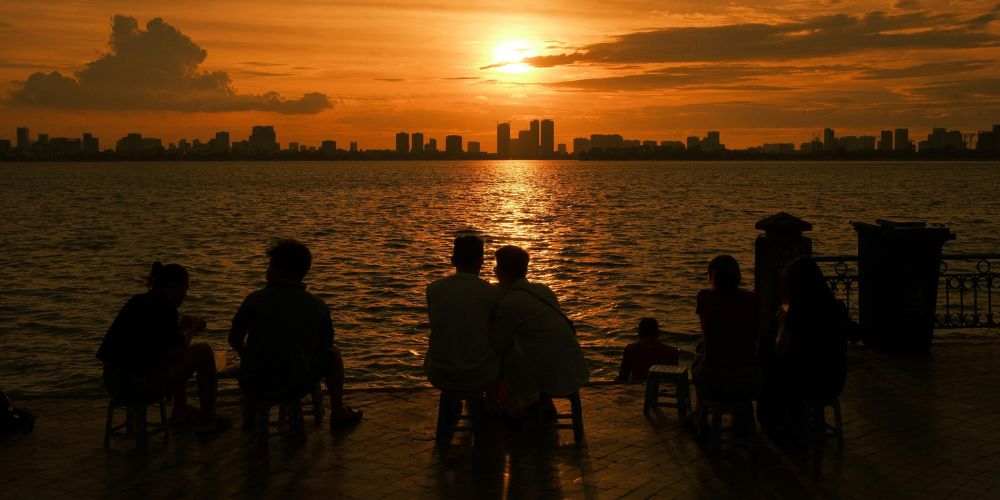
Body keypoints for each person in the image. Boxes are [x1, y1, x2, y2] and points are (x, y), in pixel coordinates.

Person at [229, 239, 362, 430]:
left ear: (279, 271)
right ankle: (337, 411)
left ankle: (251, 419)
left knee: (250, 361)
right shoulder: (316, 306)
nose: (267, 271)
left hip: (257, 382)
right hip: (297, 383)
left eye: (271, 266)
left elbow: (234, 339)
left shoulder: (254, 300)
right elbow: (326, 343)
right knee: (333, 354)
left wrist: (246, 354)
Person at [97, 262, 230, 433]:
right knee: (202, 352)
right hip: (136, 384)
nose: (186, 294)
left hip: (113, 381)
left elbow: (155, 342)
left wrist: (180, 328)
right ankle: (208, 418)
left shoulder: (139, 301)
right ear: (171, 286)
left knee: (171, 359)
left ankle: (181, 410)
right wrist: (192, 330)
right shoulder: (165, 309)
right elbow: (177, 351)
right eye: (185, 288)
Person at [491, 245, 590, 417]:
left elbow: (497, 344)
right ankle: (536, 406)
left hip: (550, 380)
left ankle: (507, 408)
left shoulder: (510, 304)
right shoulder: (544, 291)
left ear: (500, 271)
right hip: (575, 370)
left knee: (506, 355)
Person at [758, 258, 849, 437]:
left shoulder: (796, 315)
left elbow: (781, 349)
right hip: (834, 379)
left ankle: (771, 415)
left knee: (767, 349)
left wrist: (784, 320)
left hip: (807, 383)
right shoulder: (838, 308)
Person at [425, 235, 502, 400]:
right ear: (481, 262)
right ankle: (492, 405)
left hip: (438, 373)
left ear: (453, 261)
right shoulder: (493, 293)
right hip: (480, 374)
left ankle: (455, 407)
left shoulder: (433, 289)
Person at [692, 255, 762, 422]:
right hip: (747, 381)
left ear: (711, 276)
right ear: (738, 277)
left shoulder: (704, 297)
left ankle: (699, 415)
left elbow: (708, 333)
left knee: (699, 357)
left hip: (714, 381)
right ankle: (742, 418)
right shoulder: (753, 299)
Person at [616, 317, 679, 382]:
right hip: (663, 390)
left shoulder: (631, 350)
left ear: (639, 332)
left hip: (638, 390)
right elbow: (675, 379)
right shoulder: (672, 352)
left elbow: (623, 377)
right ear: (657, 334)